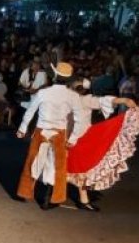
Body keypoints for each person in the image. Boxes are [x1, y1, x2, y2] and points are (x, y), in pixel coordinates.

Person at [16, 62, 83, 210]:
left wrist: (22, 128)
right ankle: (49, 199)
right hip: (59, 133)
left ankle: (25, 192)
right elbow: (80, 118)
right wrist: (73, 138)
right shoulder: (72, 96)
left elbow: (30, 111)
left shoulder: (43, 93)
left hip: (41, 131)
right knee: (57, 166)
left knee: (33, 161)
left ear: (55, 76)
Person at [66, 79, 139, 211]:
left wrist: (123, 100)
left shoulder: (81, 100)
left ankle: (81, 198)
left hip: (79, 139)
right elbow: (104, 100)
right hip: (76, 138)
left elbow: (103, 100)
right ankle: (79, 198)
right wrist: (123, 100)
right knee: (78, 170)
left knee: (79, 170)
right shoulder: (78, 100)